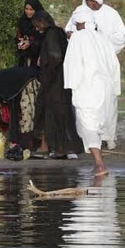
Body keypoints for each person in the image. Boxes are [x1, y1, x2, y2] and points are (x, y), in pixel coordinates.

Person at [64, 0, 125, 150]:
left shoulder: (112, 14)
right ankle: (90, 141)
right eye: (86, 0)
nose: (89, 4)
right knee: (87, 106)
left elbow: (121, 38)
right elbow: (70, 31)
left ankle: (108, 137)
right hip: (86, 67)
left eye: (91, 1)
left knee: (108, 104)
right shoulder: (80, 12)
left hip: (105, 64)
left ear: (99, 0)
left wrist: (99, 43)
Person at [64, 6, 121, 176]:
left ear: (79, 22)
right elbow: (114, 65)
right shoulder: (103, 38)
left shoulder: (77, 38)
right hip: (105, 89)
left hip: (87, 88)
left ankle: (99, 164)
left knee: (88, 125)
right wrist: (114, 89)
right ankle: (99, 163)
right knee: (96, 126)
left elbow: (72, 64)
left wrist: (71, 85)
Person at [32, 10, 82, 159]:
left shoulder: (51, 34)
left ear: (42, 22)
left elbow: (55, 56)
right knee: (60, 114)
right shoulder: (59, 33)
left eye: (36, 25)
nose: (36, 28)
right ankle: (61, 148)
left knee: (56, 115)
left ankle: (61, 148)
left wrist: (49, 73)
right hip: (61, 80)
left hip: (55, 82)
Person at [15, 0, 45, 68]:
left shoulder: (42, 21)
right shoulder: (22, 20)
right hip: (25, 55)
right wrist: (20, 42)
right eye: (26, 9)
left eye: (31, 9)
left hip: (38, 56)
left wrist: (31, 43)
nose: (28, 12)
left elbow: (45, 39)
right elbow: (19, 35)